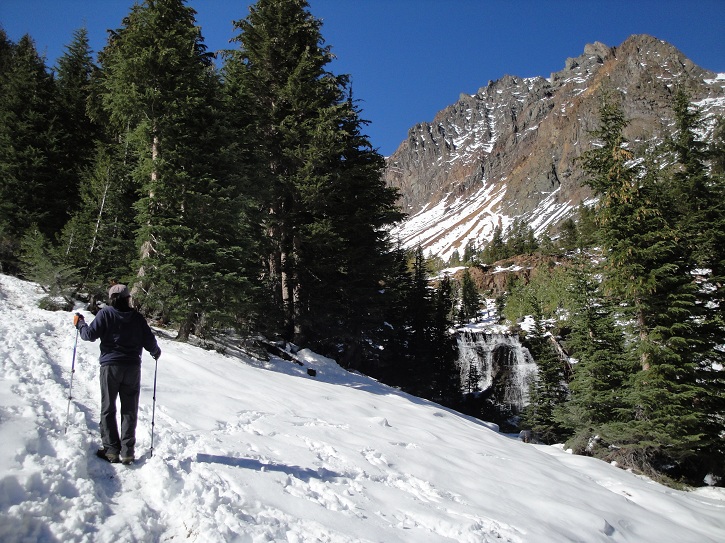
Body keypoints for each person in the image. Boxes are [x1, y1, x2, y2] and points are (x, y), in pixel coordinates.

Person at [73, 284, 161, 464]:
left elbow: (89, 335)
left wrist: (80, 324)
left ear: (111, 298)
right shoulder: (137, 317)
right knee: (129, 409)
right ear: (128, 298)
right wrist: (155, 351)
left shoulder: (106, 313)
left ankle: (111, 450)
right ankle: (127, 452)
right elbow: (150, 341)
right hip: (132, 367)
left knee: (108, 407)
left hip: (110, 366)